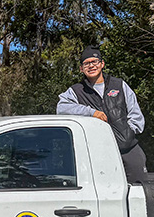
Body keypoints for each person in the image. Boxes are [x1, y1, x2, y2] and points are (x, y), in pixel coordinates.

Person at [57, 46, 146, 183]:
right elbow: (62, 108)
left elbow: (135, 113)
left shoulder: (119, 85)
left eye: (95, 61)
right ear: (81, 68)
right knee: (107, 192)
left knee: (139, 191)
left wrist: (129, 131)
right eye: (86, 63)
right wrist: (91, 112)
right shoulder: (76, 91)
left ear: (102, 64)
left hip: (128, 150)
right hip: (98, 155)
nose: (91, 66)